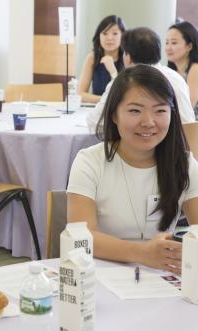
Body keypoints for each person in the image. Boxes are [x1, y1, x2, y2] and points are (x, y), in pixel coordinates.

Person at [68, 65, 198, 274]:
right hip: (99, 273)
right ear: (114, 115)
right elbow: (81, 237)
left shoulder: (184, 164)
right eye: (135, 111)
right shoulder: (89, 162)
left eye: (160, 111)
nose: (148, 122)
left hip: (163, 276)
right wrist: (142, 253)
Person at [87, 27, 196, 132]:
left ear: (128, 57)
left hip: (137, 147)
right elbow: (188, 122)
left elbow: (95, 123)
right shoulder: (176, 78)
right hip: (183, 147)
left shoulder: (124, 81)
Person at [77, 15, 125, 103]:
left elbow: (125, 96)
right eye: (105, 33)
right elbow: (80, 94)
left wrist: (113, 71)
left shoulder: (128, 58)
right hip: (98, 110)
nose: (109, 38)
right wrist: (105, 101)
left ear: (122, 35)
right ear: (99, 36)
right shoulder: (92, 58)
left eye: (115, 33)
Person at [166, 21, 198, 119]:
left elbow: (189, 106)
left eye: (174, 43)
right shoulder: (172, 72)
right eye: (167, 42)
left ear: (189, 46)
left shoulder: (195, 69)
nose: (168, 47)